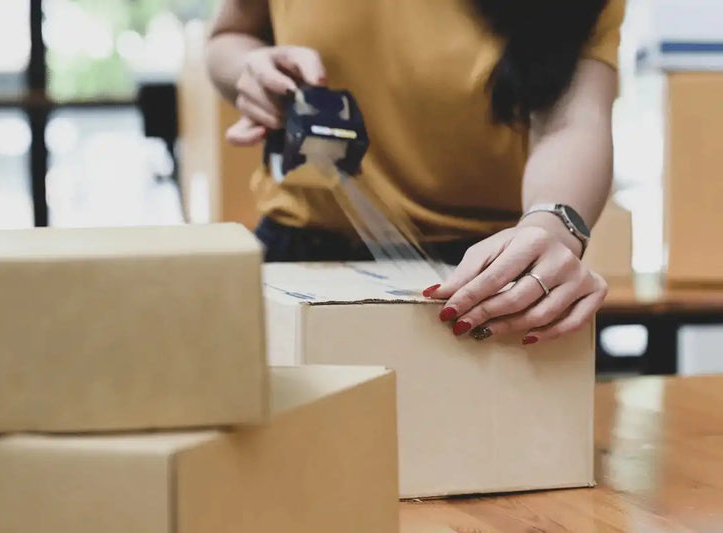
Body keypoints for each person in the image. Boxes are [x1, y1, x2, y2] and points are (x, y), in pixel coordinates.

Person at [205, 0, 624, 345]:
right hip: (300, 253)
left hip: (485, 274)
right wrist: (251, 68)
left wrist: (552, 225)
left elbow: (573, 120)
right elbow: (229, 36)